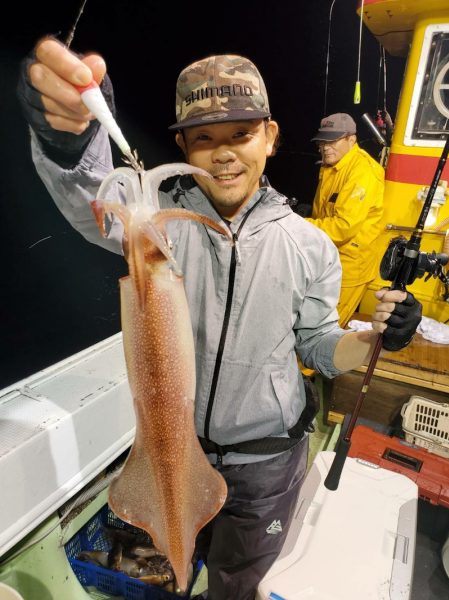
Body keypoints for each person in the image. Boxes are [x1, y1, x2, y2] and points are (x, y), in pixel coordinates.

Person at [17, 38, 421, 600]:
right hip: (175, 450)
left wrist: (377, 335)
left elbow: (319, 345)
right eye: (203, 138)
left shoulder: (310, 245)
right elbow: (91, 205)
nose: (224, 152)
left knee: (238, 581)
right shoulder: (161, 227)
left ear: (271, 138)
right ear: (182, 146)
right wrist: (70, 141)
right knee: (179, 566)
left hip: (266, 462)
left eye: (241, 133)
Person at [306, 113, 385, 327]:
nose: (325, 147)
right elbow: (321, 215)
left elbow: (343, 227)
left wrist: (298, 226)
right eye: (322, 141)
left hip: (349, 267)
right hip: (326, 258)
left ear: (351, 140)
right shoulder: (331, 165)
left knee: (325, 328)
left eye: (332, 141)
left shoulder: (364, 172)